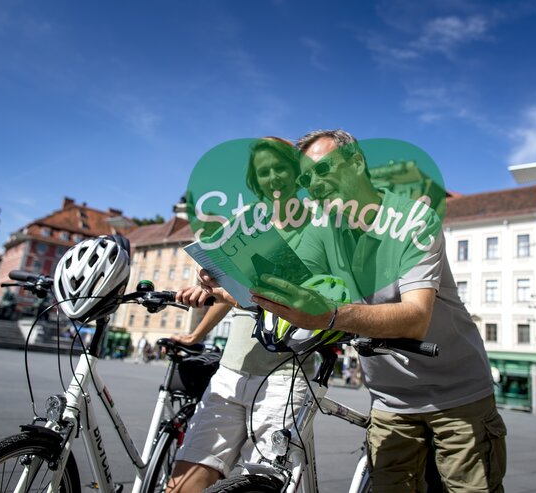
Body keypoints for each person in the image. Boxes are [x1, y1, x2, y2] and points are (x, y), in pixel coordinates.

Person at [247, 130, 506, 492]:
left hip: (456, 395)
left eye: (323, 170)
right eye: (306, 178)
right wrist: (226, 276)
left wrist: (331, 315)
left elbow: (415, 318)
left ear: (356, 163)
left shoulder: (413, 219)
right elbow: (286, 277)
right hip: (389, 399)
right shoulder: (324, 229)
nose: (314, 185)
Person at [167, 137, 314, 493]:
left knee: (260, 488)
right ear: (255, 180)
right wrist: (203, 309)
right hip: (231, 370)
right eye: (264, 172)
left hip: (284, 378)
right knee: (181, 486)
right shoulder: (245, 224)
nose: (273, 177)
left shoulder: (316, 228)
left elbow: (307, 303)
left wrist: (225, 291)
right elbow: (233, 293)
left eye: (281, 167)